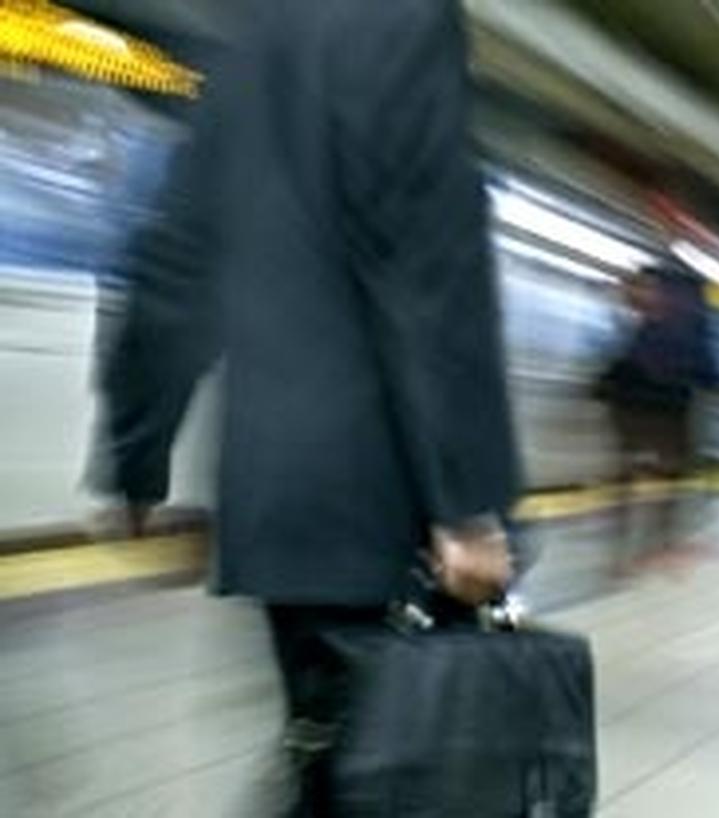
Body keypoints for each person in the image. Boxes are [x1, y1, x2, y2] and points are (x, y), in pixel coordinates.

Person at [88, 1, 520, 814]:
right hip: (385, 497)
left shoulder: (255, 38)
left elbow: (178, 257)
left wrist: (136, 452)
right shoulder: (407, 21)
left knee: (330, 749)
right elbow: (423, 266)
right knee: (391, 767)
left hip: (278, 494)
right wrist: (462, 502)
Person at [596, 265, 711, 576]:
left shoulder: (676, 330)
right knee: (630, 483)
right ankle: (626, 553)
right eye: (634, 289)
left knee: (664, 484)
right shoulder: (630, 324)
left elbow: (698, 370)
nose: (635, 294)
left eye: (645, 288)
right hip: (635, 414)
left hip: (668, 413)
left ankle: (656, 546)